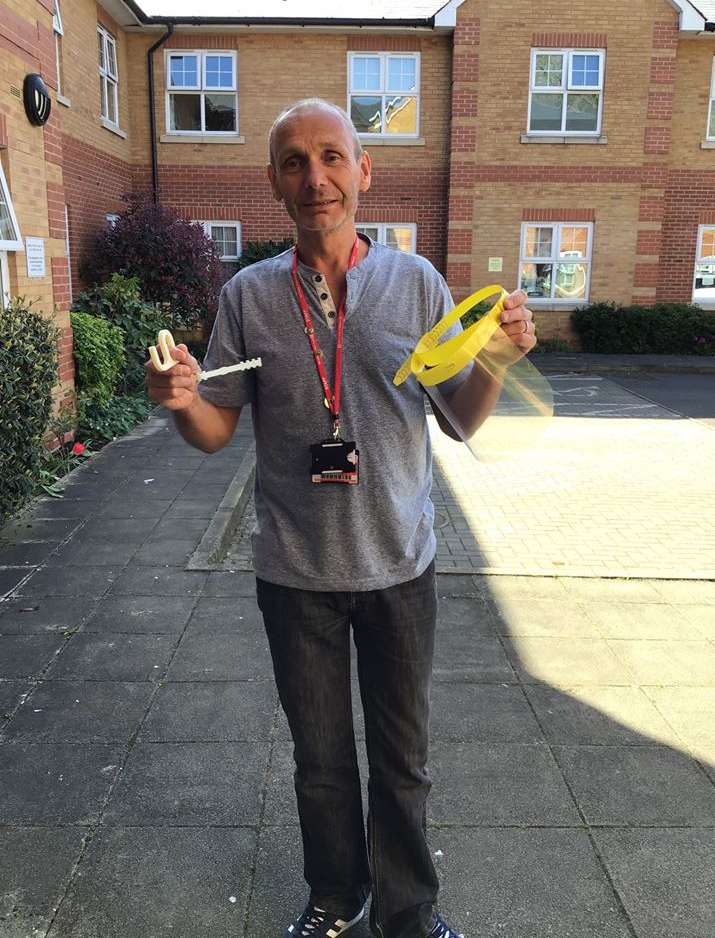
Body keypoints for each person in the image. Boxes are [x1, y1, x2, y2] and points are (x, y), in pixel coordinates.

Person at [145, 98, 536, 938]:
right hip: (295, 573)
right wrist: (182, 401)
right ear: (274, 183)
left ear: (364, 171)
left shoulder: (415, 282)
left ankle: (406, 911)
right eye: (294, 161)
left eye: (331, 156)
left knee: (403, 762)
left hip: (400, 563)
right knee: (320, 764)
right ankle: (336, 897)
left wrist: (495, 361)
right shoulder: (247, 296)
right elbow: (215, 430)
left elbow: (459, 420)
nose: (314, 176)